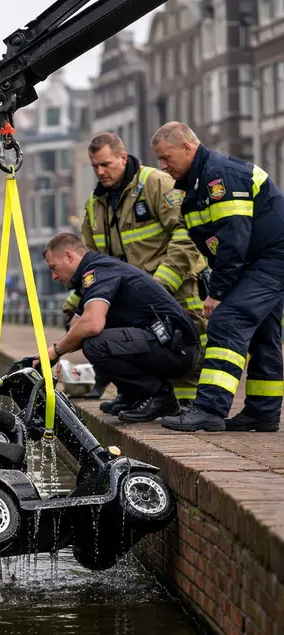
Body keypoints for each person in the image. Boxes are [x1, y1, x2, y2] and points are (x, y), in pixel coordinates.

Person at [152, 122, 284, 432]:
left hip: (271, 257)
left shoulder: (219, 177)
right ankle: (262, 413)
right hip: (258, 260)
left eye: (166, 157)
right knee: (264, 333)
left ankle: (210, 409)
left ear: (188, 148)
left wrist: (218, 293)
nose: (163, 166)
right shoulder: (196, 183)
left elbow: (233, 239)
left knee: (228, 320)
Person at [64, 133, 208, 409]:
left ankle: (189, 406)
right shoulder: (96, 204)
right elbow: (93, 260)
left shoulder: (155, 183)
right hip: (132, 298)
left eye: (105, 164)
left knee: (184, 342)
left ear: (123, 157)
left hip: (174, 286)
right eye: (94, 166)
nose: (99, 172)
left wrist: (161, 283)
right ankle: (136, 395)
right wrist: (76, 300)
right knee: (127, 344)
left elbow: (186, 233)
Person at [31, 232, 201, 422]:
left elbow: (92, 324)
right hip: (165, 344)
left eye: (53, 268)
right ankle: (134, 395)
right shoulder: (91, 274)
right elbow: (76, 326)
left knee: (95, 344)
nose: (54, 276)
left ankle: (159, 396)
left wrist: (56, 351)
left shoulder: (99, 271)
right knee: (88, 338)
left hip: (177, 348)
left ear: (69, 256)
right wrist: (47, 355)